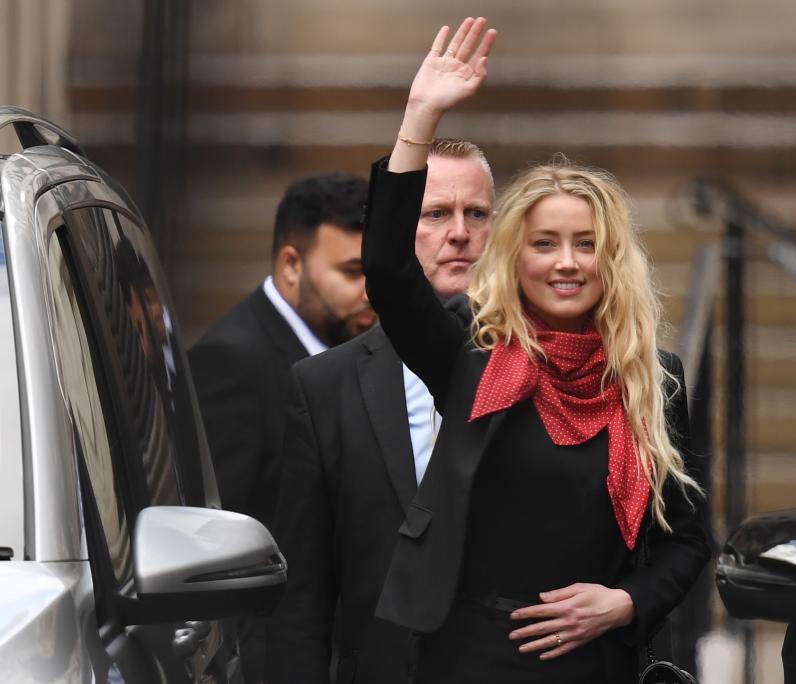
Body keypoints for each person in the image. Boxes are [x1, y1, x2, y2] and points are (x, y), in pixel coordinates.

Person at [361, 17, 712, 684]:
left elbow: (689, 539)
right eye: (545, 243)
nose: (567, 262)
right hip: (471, 658)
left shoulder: (652, 379)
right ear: (514, 256)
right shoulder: (472, 352)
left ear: (612, 261)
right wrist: (420, 116)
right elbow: (387, 273)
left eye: (586, 244)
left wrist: (625, 603)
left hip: (597, 662)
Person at [265, 137, 495, 684]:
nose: (459, 232)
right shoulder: (325, 385)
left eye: (477, 213)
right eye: (435, 213)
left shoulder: (542, 371)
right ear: (394, 229)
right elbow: (302, 603)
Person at [188, 172, 373, 684]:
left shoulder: (346, 357)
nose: (370, 293)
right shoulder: (233, 361)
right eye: (353, 272)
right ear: (291, 265)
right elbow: (212, 538)